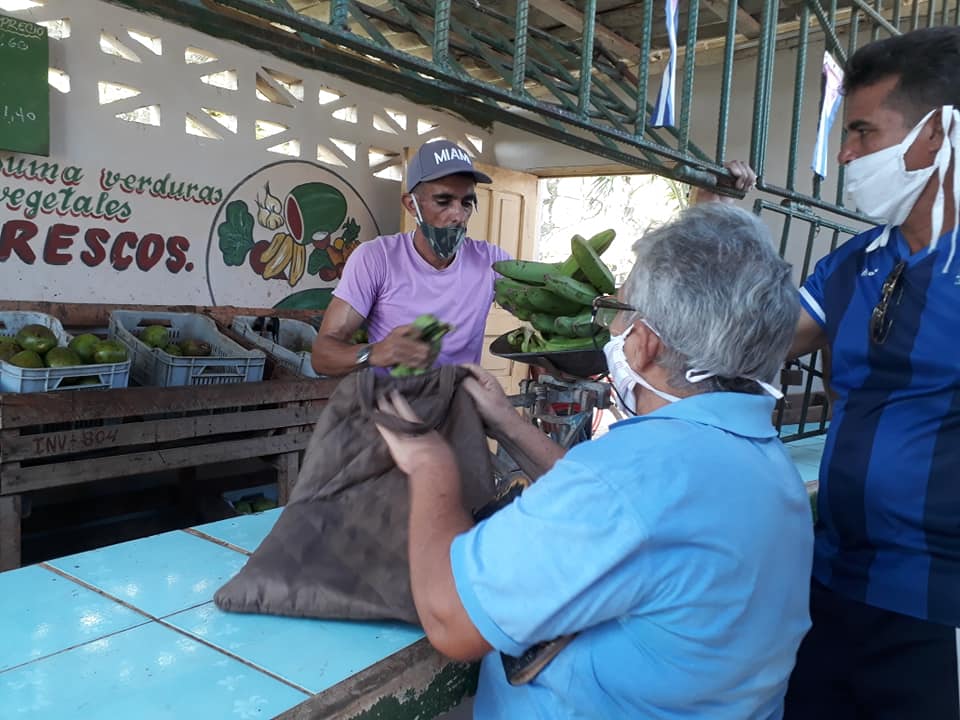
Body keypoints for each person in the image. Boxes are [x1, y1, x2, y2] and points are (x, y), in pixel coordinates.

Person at [374, 203, 813, 719]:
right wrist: (509, 424)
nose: (615, 331)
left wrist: (432, 468)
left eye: (620, 314)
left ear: (646, 344)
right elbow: (627, 517)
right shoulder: (765, 462)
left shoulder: (635, 475)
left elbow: (450, 620)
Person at [783, 27, 960, 719]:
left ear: (938, 134)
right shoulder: (854, 264)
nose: (846, 155)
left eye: (862, 132)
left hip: (934, 608)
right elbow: (755, 345)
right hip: (831, 581)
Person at [311, 139, 510, 375]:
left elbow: (540, 309)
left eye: (467, 203)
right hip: (392, 406)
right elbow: (322, 356)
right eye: (443, 201)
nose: (458, 215)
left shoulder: (491, 261)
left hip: (459, 404)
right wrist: (376, 352)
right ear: (412, 205)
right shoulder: (376, 259)